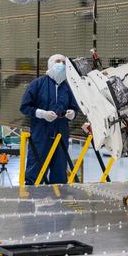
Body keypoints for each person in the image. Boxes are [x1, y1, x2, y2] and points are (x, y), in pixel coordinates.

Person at [20, 54, 79, 185]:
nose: (61, 64)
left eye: (64, 62)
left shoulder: (67, 87)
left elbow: (75, 107)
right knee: (36, 169)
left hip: (61, 133)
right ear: (50, 63)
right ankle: (32, 196)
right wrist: (42, 113)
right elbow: (24, 107)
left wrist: (73, 113)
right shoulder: (37, 84)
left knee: (59, 171)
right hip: (41, 133)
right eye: (58, 61)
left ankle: (58, 196)